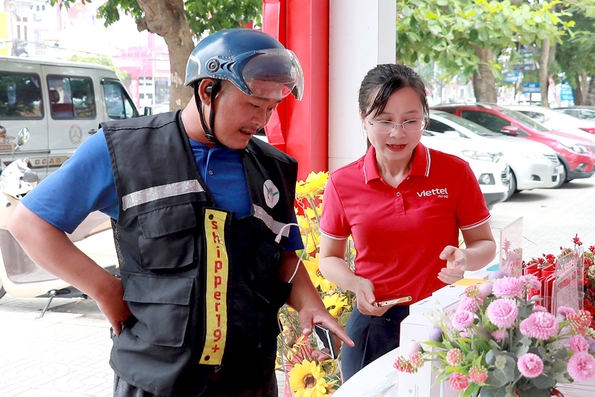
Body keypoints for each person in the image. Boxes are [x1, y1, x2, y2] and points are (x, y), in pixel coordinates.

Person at [8, 28, 353, 397]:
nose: (262, 121)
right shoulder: (122, 150)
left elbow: (283, 254)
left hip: (249, 379)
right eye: (254, 105)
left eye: (271, 109)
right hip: (156, 380)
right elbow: (28, 223)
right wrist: (105, 289)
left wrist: (310, 303)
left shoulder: (273, 167)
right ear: (208, 90)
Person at [317, 63, 496, 381]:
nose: (398, 133)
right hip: (374, 325)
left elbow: (485, 244)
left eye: (410, 121)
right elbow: (328, 258)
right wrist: (355, 284)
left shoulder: (454, 173)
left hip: (442, 321)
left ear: (424, 118)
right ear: (363, 119)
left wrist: (465, 258)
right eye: (384, 121)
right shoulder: (343, 182)